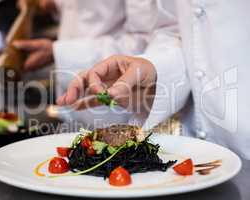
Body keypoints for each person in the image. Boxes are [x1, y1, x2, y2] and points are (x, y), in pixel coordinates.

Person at [57, 0, 250, 159]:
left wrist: (56, 52)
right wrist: (154, 68)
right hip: (195, 152)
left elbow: (140, 33)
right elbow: (175, 30)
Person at [16, 0, 177, 128]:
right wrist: (54, 4)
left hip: (117, 106)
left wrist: (57, 52)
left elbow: (143, 39)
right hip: (70, 103)